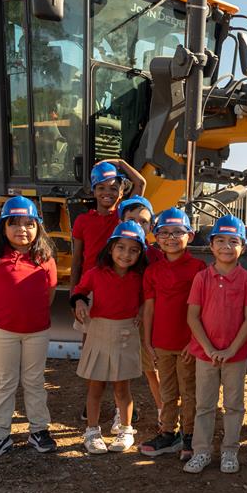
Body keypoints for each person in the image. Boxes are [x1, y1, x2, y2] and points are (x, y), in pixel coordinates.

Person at [0, 197, 59, 458]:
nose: (22, 229)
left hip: (37, 331)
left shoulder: (45, 258)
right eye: (14, 223)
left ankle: (39, 430)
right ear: (3, 228)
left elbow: (50, 293)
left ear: (38, 227)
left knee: (34, 381)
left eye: (29, 223)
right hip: (3, 332)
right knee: (5, 381)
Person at [71, 159, 146, 422]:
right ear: (93, 190)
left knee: (122, 351)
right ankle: (91, 401)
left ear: (122, 191)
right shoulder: (82, 221)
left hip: (122, 287)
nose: (108, 193)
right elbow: (77, 259)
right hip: (92, 290)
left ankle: (121, 406)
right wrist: (75, 297)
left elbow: (141, 183)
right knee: (91, 350)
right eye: (101, 187)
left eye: (114, 187)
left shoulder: (122, 216)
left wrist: (120, 162)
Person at [183, 215, 247, 474]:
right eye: (221, 240)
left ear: (243, 247)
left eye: (233, 241)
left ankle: (229, 451)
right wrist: (208, 349)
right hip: (206, 356)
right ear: (211, 246)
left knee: (234, 404)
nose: (227, 246)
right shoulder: (202, 279)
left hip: (235, 357)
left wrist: (231, 350)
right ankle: (201, 451)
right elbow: (192, 316)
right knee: (204, 404)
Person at [71, 220, 148, 454]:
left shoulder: (140, 278)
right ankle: (92, 431)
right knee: (95, 387)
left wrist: (142, 311)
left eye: (134, 250)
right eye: (121, 247)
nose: (126, 254)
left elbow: (147, 299)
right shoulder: (96, 273)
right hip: (99, 332)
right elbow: (79, 291)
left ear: (140, 253)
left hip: (126, 333)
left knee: (122, 388)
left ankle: (125, 429)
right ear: (110, 248)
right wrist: (81, 302)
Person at [138, 207, 205, 461]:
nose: (170, 237)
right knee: (167, 392)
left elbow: (203, 309)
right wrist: (148, 340)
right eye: (163, 232)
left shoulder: (198, 268)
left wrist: (194, 341)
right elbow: (150, 308)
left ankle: (189, 435)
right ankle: (168, 433)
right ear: (155, 236)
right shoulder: (153, 271)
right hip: (162, 343)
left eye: (177, 232)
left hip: (187, 344)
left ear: (190, 235)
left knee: (189, 391)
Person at [113, 195, 162, 434]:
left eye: (143, 221)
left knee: (152, 369)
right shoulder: (116, 254)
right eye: (131, 219)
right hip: (122, 320)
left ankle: (164, 411)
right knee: (121, 371)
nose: (137, 225)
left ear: (151, 227)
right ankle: (119, 413)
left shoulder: (156, 257)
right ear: (120, 221)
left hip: (149, 323)